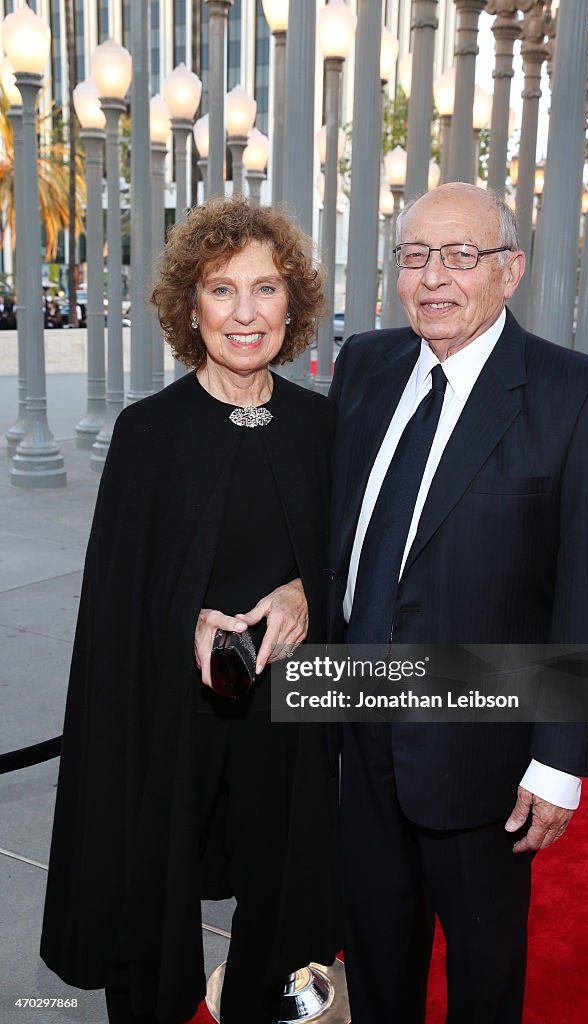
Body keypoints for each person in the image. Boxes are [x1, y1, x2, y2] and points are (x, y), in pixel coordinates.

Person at [327, 182, 588, 1024]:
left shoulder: (583, 397)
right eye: (414, 256)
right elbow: (340, 529)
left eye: (461, 256)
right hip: (354, 729)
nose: (433, 278)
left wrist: (560, 764)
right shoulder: (365, 363)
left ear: (510, 271)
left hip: (479, 753)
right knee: (374, 950)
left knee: (481, 972)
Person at [41, 197, 341, 1024]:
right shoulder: (148, 433)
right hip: (174, 711)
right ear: (189, 307)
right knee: (154, 877)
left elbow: (348, 564)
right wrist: (189, 625)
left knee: (288, 889)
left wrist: (305, 594)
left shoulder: (323, 427)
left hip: (295, 706)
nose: (245, 313)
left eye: (266, 288)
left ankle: (267, 1007)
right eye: (220, 289)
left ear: (295, 302)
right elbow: (115, 602)